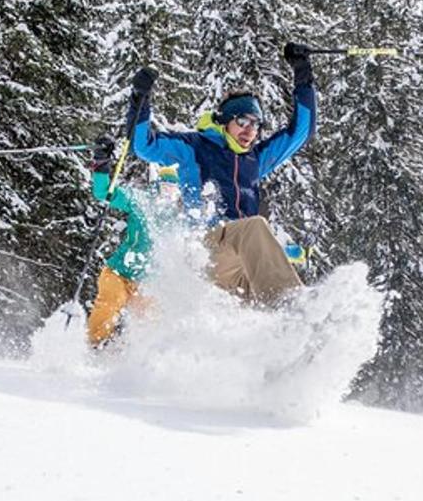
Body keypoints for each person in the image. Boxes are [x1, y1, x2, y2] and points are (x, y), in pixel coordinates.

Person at [127, 42, 317, 304]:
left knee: (259, 309)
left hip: (237, 268)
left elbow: (300, 133)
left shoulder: (255, 159)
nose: (249, 130)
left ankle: (298, 334)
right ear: (224, 122)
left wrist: (303, 74)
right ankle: (291, 306)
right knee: (254, 228)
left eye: (256, 124)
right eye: (242, 121)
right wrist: (140, 100)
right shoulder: (195, 148)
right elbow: (143, 145)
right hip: (209, 247)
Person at [84, 135, 181, 348]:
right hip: (119, 272)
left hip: (148, 283)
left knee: (151, 321)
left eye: (173, 187)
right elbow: (103, 193)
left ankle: (140, 358)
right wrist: (102, 163)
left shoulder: (182, 221)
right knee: (110, 302)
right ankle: (94, 346)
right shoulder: (141, 202)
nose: (168, 192)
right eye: (164, 185)